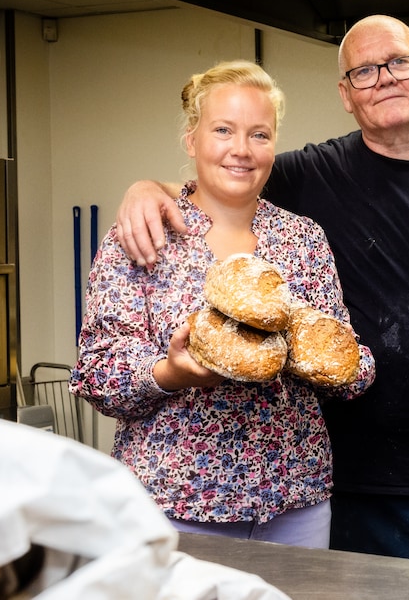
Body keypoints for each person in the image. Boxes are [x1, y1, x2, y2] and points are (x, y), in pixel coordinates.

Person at [115, 15, 409, 571]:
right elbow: (228, 175)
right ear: (346, 95)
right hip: (347, 484)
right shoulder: (311, 174)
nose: (384, 78)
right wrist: (145, 187)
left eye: (398, 62)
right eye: (363, 71)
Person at [71, 60, 375, 549]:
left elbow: (349, 366)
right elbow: (95, 374)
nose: (241, 149)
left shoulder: (302, 239)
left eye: (259, 134)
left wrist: (331, 363)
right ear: (192, 141)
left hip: (295, 505)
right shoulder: (146, 233)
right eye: (223, 130)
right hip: (171, 507)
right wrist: (169, 374)